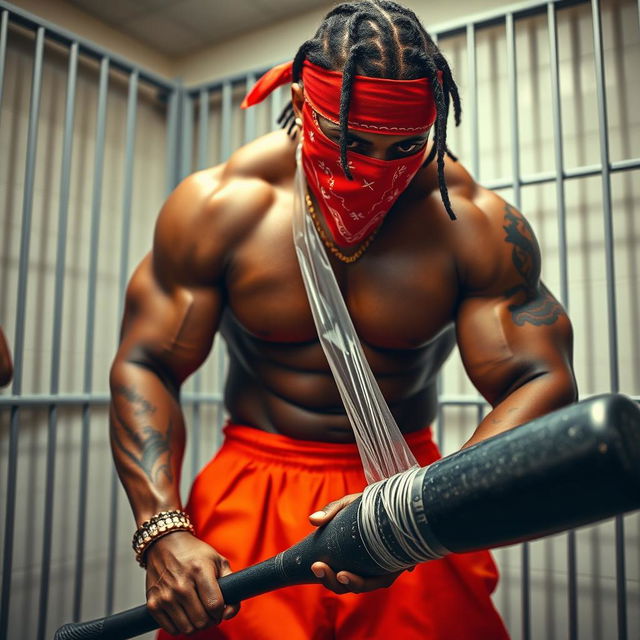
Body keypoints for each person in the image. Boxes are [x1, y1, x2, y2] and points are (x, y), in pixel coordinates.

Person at [109, 2, 577, 638]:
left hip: (412, 483)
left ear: (433, 124)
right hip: (257, 481)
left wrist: (415, 511)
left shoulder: (474, 225)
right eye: (349, 139)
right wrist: (161, 529)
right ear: (302, 101)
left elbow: (540, 378)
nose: (372, 167)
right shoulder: (221, 206)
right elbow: (147, 361)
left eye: (404, 147)